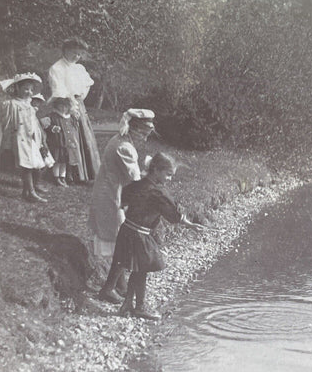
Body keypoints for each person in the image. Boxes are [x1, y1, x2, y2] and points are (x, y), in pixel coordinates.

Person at [110, 152, 204, 320]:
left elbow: (122, 198)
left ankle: (127, 305)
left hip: (128, 230)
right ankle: (138, 307)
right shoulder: (157, 193)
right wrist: (190, 224)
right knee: (142, 268)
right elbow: (173, 215)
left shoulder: (138, 185)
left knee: (138, 269)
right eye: (168, 174)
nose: (170, 179)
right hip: (140, 234)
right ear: (156, 170)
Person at [89, 108, 156, 302]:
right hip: (112, 196)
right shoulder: (124, 147)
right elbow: (135, 179)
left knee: (119, 240)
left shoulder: (119, 140)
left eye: (147, 132)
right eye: (143, 132)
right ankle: (109, 289)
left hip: (110, 191)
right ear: (133, 128)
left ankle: (120, 285)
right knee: (120, 240)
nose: (145, 136)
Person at [48, 37, 100, 181]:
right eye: (74, 53)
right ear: (65, 50)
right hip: (64, 106)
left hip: (78, 103)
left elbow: (87, 84)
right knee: (68, 140)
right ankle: (70, 175)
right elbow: (58, 90)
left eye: (79, 54)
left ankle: (86, 172)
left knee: (83, 137)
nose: (77, 57)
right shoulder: (56, 68)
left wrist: (80, 99)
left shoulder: (79, 68)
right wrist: (70, 106)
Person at [0, 73, 48, 202]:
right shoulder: (12, 104)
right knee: (26, 165)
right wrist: (8, 141)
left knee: (34, 163)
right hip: (19, 138)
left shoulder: (30, 106)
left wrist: (39, 138)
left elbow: (34, 124)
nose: (29, 92)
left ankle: (26, 192)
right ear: (17, 89)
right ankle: (31, 192)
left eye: (31, 89)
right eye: (25, 89)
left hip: (31, 139)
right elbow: (7, 124)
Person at [46, 97, 82, 187]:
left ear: (69, 107)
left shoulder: (70, 117)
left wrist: (77, 117)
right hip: (57, 142)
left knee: (64, 161)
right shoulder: (53, 116)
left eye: (65, 106)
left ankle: (63, 177)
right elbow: (45, 125)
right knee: (57, 161)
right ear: (56, 106)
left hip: (68, 144)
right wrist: (52, 128)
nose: (63, 108)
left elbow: (75, 126)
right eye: (60, 105)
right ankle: (56, 177)